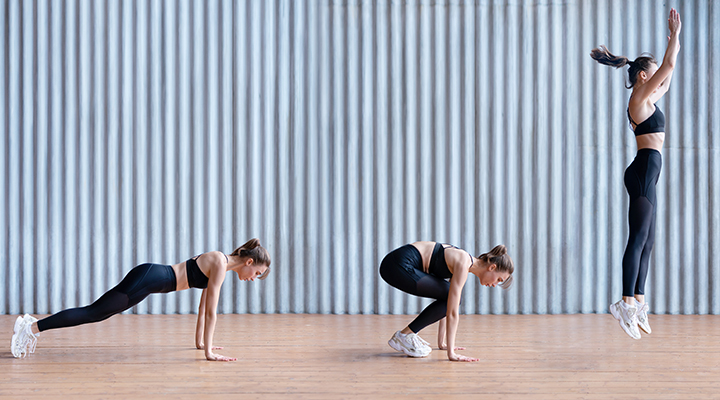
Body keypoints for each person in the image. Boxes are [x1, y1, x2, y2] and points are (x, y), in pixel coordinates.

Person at [10, 238, 271, 361]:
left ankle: (31, 326)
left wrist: (201, 343)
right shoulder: (219, 261)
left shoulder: (221, 265)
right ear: (249, 262)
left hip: (148, 279)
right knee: (93, 313)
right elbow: (212, 311)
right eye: (256, 274)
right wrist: (209, 353)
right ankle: (30, 328)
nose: (252, 279)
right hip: (147, 279)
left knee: (97, 313)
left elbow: (203, 307)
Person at [590, 8, 681, 339]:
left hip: (648, 172)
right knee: (638, 238)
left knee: (649, 241)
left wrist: (674, 42)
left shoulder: (649, 96)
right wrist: (677, 35)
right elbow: (668, 68)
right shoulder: (639, 97)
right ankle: (625, 301)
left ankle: (638, 300)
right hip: (643, 172)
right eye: (652, 73)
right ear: (643, 76)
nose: (658, 77)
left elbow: (668, 76)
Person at [379, 241, 514, 362]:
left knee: (449, 296)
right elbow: (453, 312)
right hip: (397, 265)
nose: (495, 284)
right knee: (454, 298)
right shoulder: (463, 263)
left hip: (394, 264)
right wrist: (451, 353)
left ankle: (406, 335)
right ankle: (404, 336)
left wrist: (442, 343)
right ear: (492, 267)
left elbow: (447, 303)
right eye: (499, 279)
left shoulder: (463, 261)